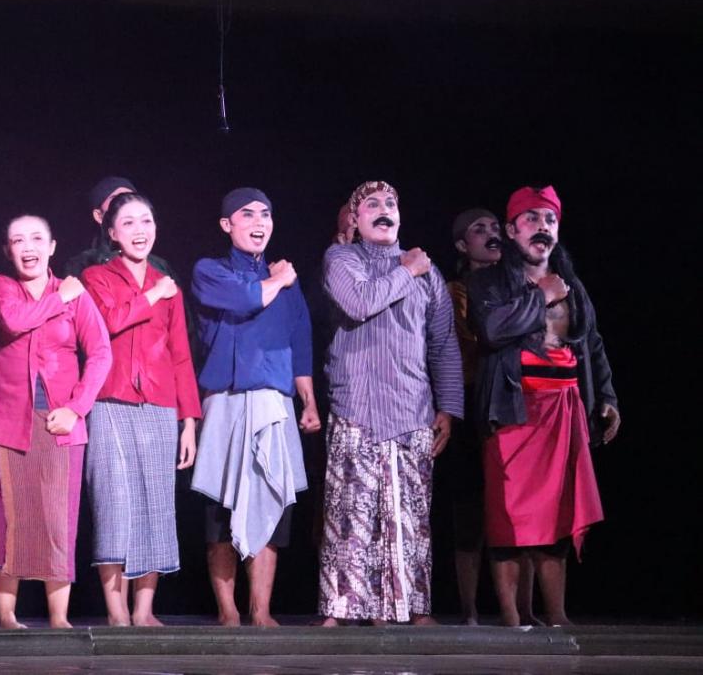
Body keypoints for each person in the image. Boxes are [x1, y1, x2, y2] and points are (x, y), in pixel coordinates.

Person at [470, 185, 619, 628]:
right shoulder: (489, 281)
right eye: (531, 219)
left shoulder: (571, 284)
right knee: (509, 514)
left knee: (558, 511)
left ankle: (557, 615)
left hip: (564, 409)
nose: (542, 228)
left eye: (549, 220)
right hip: (514, 409)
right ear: (511, 230)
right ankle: (512, 619)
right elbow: (493, 329)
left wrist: (607, 397)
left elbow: (591, 343)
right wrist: (542, 296)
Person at [317, 181, 462, 627]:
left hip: (412, 409)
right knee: (351, 513)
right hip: (356, 407)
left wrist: (449, 407)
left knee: (410, 517)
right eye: (372, 205)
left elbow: (443, 344)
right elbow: (359, 302)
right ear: (355, 220)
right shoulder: (342, 259)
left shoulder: (429, 274)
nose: (384, 210)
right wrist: (406, 270)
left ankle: (413, 609)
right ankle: (341, 610)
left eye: (391, 204)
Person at [190, 188, 320, 628]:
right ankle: (228, 610)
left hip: (273, 401)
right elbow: (246, 299)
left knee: (272, 499)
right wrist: (279, 279)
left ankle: (261, 609)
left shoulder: (285, 279)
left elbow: (300, 342)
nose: (259, 222)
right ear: (227, 225)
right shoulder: (210, 270)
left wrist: (308, 400)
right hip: (226, 400)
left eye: (266, 214)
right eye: (247, 215)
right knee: (220, 508)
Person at [0, 215, 111, 629]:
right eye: (18, 240)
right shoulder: (2, 287)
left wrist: (77, 408)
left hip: (61, 422)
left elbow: (101, 353)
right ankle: (7, 616)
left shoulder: (76, 295)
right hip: (7, 420)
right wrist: (60, 298)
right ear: (8, 250)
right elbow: (15, 320)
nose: (28, 247)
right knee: (5, 518)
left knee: (58, 519)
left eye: (37, 238)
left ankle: (59, 618)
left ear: (52, 247)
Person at [79, 192, 201, 627]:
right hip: (110, 402)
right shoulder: (96, 277)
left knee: (156, 506)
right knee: (113, 505)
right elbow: (110, 321)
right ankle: (117, 613)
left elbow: (181, 355)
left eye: (146, 221)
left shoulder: (168, 286)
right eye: (128, 223)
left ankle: (144, 611)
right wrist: (152, 295)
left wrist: (189, 421)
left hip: (159, 405)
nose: (139, 230)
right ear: (112, 233)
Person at [444, 207, 535, 626]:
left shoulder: (520, 283)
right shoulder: (456, 291)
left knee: (521, 505)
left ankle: (525, 609)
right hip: (470, 400)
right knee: (470, 508)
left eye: (496, 227)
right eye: (478, 230)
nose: (491, 234)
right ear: (463, 246)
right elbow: (477, 339)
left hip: (513, 400)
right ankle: (469, 611)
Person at [63, 176, 178, 281]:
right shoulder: (82, 265)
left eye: (131, 198)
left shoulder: (161, 267)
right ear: (98, 216)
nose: (125, 204)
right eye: (115, 200)